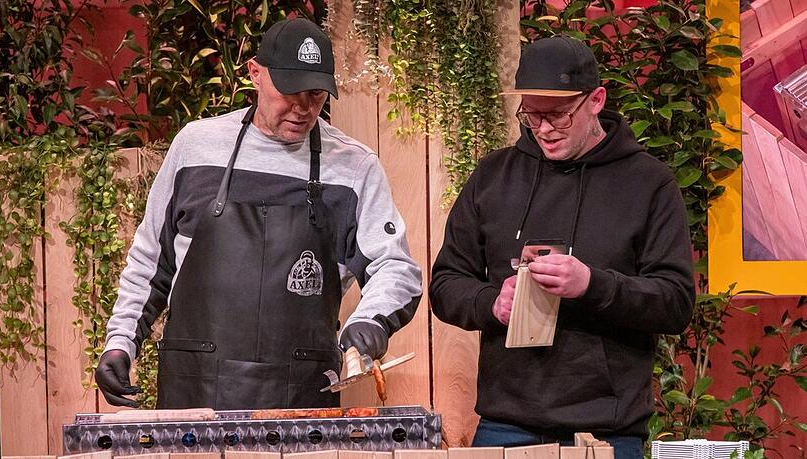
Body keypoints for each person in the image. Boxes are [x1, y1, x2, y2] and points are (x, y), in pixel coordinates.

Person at [95, 18, 422, 410]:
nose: (302, 109)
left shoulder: (354, 167)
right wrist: (120, 342)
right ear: (255, 74)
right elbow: (152, 259)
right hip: (193, 395)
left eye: (316, 95)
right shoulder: (196, 148)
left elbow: (395, 266)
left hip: (300, 401)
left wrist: (370, 320)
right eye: (290, 92)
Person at [429, 36, 694, 458]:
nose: (545, 130)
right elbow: (446, 282)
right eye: (531, 117)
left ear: (596, 100)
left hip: (607, 431)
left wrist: (592, 285)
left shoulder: (649, 184)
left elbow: (676, 302)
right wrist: (491, 302)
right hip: (504, 425)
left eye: (558, 116)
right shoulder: (493, 176)